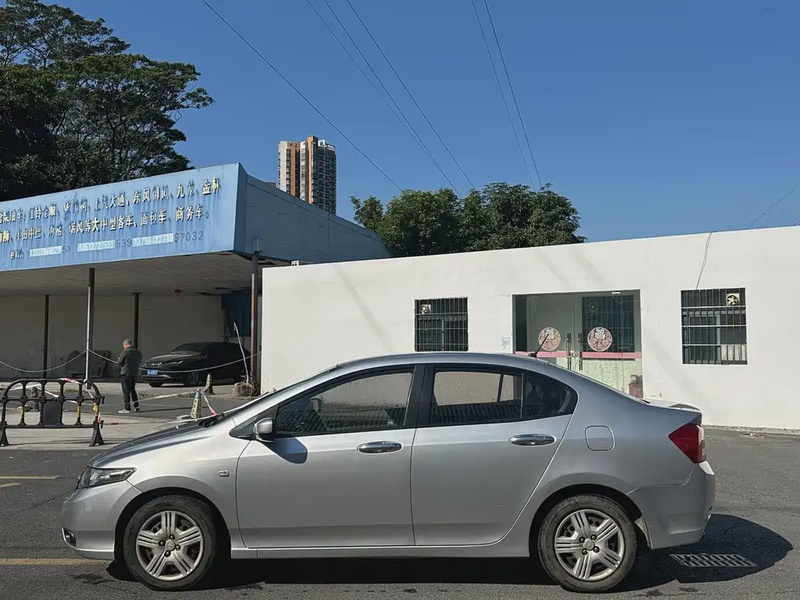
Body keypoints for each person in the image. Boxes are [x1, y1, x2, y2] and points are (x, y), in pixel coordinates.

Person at [117, 338, 142, 413]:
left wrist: (118, 359)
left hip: (125, 373)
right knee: (132, 389)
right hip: (134, 373)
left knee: (126, 391)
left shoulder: (125, 352)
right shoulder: (138, 352)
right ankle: (136, 406)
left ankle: (127, 408)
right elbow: (139, 361)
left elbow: (120, 363)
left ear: (125, 344)